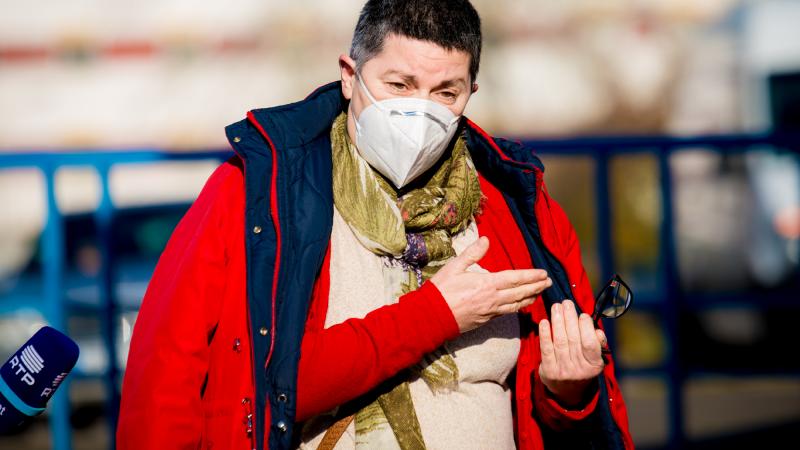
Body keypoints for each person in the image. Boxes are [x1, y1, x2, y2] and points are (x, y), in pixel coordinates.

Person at [117, 1, 633, 449]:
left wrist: (568, 391)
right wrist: (433, 315)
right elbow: (207, 379)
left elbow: (556, 413)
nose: (419, 110)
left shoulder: (515, 205)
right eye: (399, 84)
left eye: (445, 93)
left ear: (472, 93)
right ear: (349, 73)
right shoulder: (259, 192)